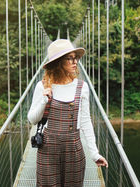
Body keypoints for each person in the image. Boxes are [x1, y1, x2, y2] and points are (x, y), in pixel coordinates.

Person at [28, 39, 108, 187]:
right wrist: (44, 100)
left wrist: (94, 153)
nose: (75, 61)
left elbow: (85, 122)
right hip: (48, 148)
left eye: (75, 57)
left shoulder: (82, 87)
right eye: (69, 58)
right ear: (58, 62)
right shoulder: (43, 86)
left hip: (74, 148)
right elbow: (32, 119)